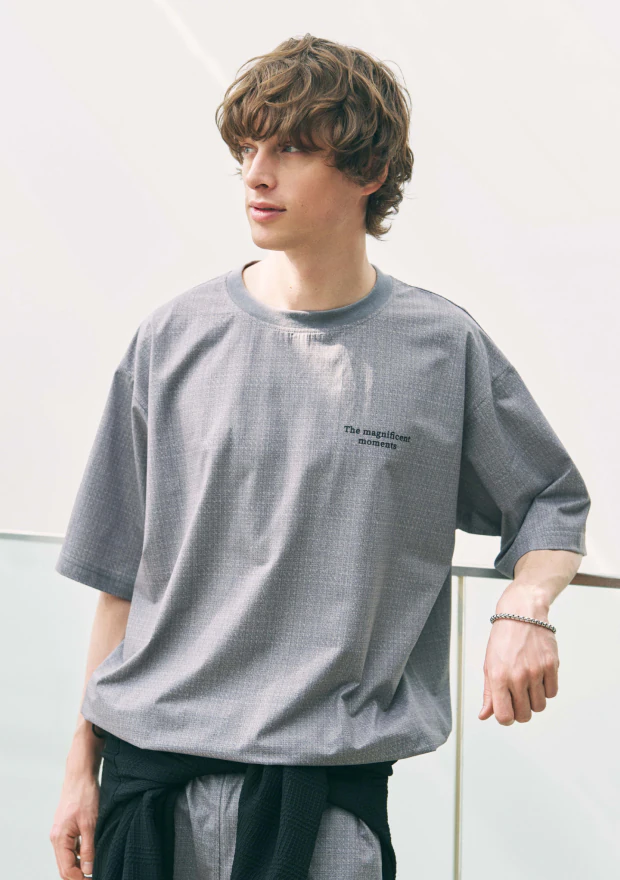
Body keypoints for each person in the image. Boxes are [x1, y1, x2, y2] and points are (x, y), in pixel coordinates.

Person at [49, 33, 590, 880]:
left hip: (323, 806)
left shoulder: (440, 349)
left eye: (291, 150)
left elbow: (551, 502)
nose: (256, 175)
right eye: (248, 150)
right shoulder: (172, 338)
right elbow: (120, 581)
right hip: (146, 789)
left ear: (370, 171)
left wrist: (525, 607)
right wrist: (79, 768)